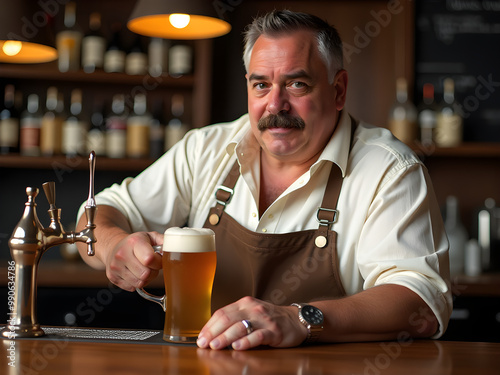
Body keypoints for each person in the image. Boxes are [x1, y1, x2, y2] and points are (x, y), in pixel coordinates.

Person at [76, 10, 452, 351]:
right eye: (261, 85)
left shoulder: (389, 170)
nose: (275, 105)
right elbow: (99, 213)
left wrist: (299, 318)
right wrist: (114, 246)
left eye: (297, 85)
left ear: (338, 91)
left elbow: (420, 300)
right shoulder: (205, 149)